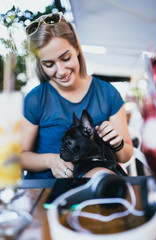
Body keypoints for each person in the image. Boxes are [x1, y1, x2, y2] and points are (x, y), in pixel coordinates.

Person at [21, 12, 133, 179]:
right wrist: (50, 161)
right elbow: (20, 156)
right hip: (46, 191)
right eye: (49, 64)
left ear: (77, 49)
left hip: (97, 189)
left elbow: (126, 155)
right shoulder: (35, 99)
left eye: (66, 58)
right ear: (40, 65)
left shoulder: (108, 93)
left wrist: (117, 144)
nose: (61, 71)